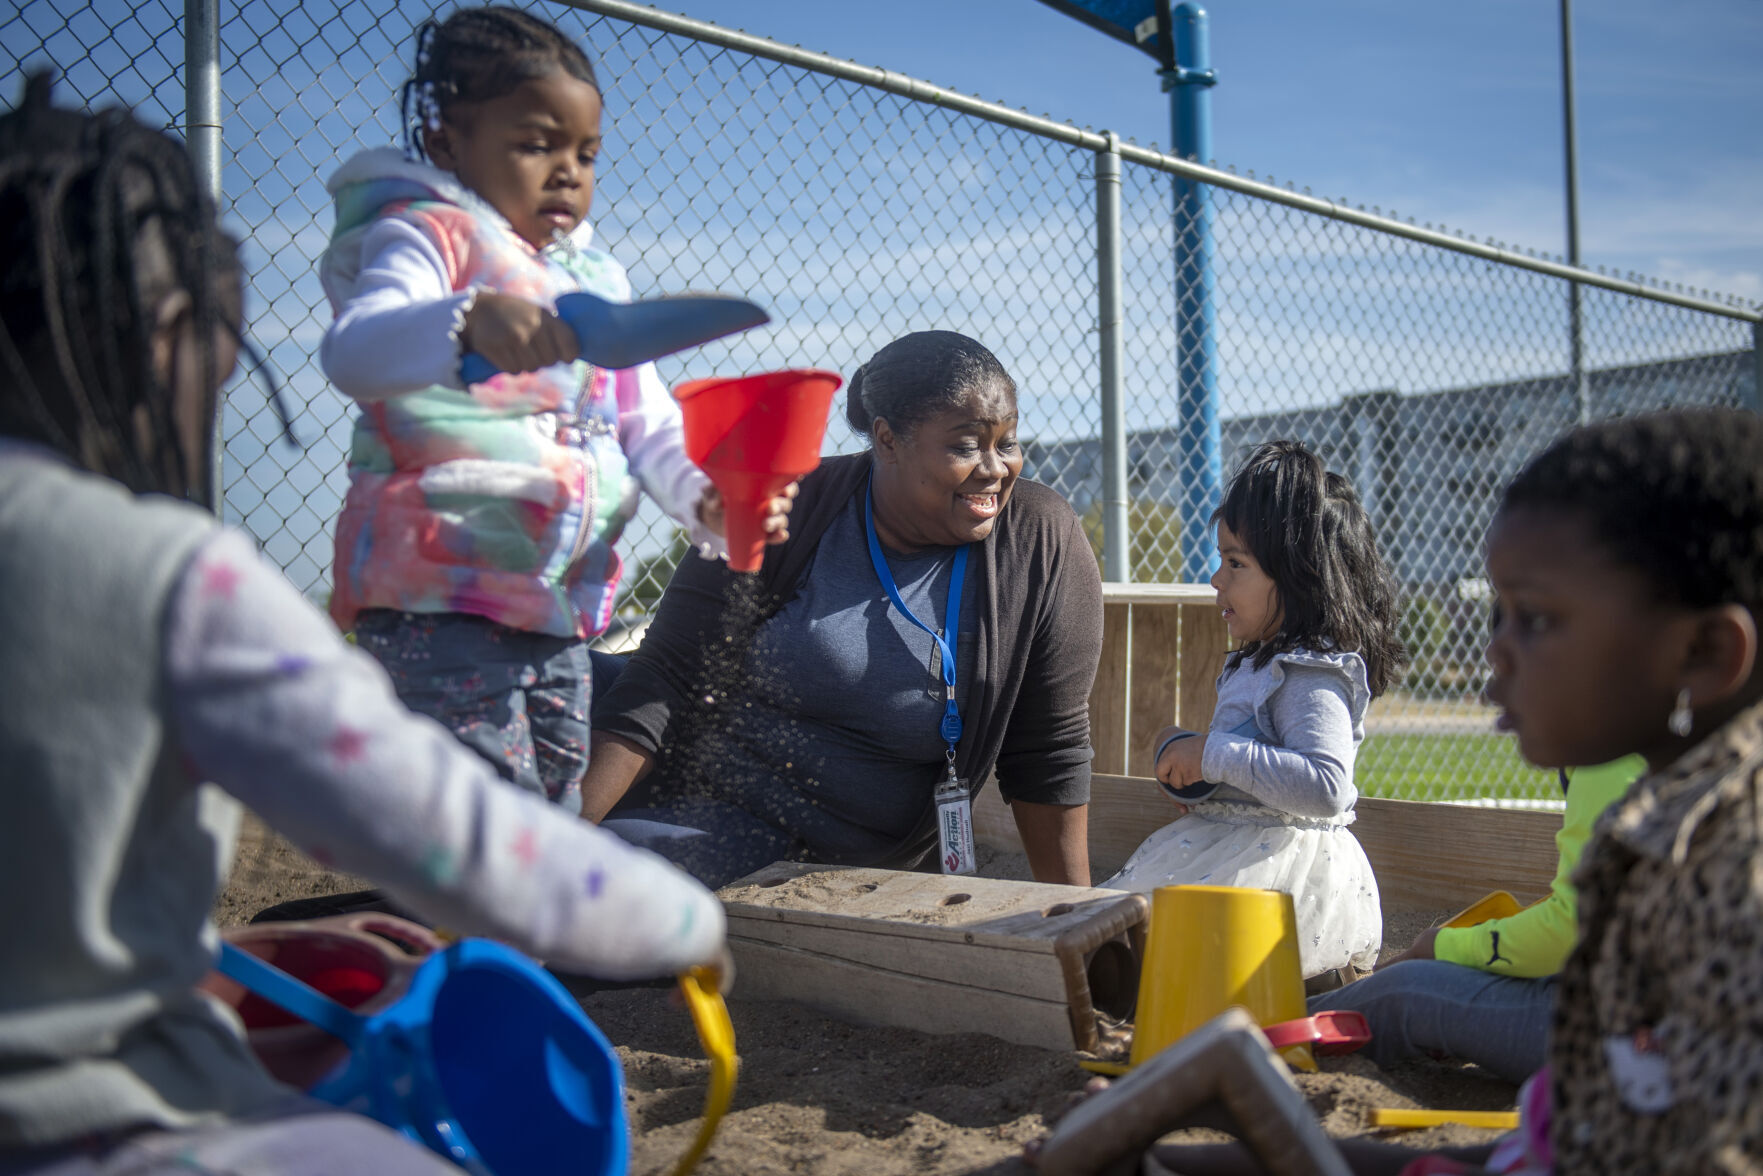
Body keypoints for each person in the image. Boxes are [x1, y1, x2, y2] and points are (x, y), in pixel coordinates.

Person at [0, 79, 726, 1172]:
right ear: (172, 339)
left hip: (551, 617)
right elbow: (454, 836)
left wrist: (225, 947)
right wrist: (682, 924)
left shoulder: (588, 282)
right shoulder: (166, 580)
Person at [1090, 407, 1763, 1175]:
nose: (1495, 652)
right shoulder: (1674, 823)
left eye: (1537, 619)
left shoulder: (1710, 875)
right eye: (1499, 614)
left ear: (1704, 655)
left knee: (1403, 998)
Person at [318, 6, 788, 813]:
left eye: (586, 153)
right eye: (537, 144)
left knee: (551, 808)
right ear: (445, 142)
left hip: (555, 610)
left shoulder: (593, 280)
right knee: (477, 818)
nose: (567, 171)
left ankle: (525, 899)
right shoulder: (429, 237)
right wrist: (465, 319)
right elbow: (353, 351)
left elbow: (643, 421)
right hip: (439, 596)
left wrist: (703, 496)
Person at [582, 330, 1104, 888]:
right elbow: (670, 672)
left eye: (1007, 443)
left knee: (609, 878)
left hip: (802, 837)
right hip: (689, 765)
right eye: (966, 446)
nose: (995, 468)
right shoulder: (791, 505)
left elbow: (1048, 749)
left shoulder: (1039, 539)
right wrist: (569, 830)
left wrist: (1075, 915)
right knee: (550, 676)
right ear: (887, 440)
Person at [1100, 440, 1407, 979]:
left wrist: (1213, 757)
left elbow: (1325, 786)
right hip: (1236, 848)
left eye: (1235, 563)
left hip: (1282, 876)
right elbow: (1251, 762)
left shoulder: (1309, 673)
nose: (1216, 578)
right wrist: (1197, 770)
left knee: (1160, 950)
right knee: (1127, 932)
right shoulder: (1262, 661)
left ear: (1300, 575)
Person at [1307, 757, 1639, 1083]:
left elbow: (1570, 929)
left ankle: (1280, 1034)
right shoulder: (1635, 756)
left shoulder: (1607, 764)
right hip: (1637, 1012)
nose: (1503, 726)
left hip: (1613, 1035)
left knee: (1407, 990)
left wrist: (1442, 947)